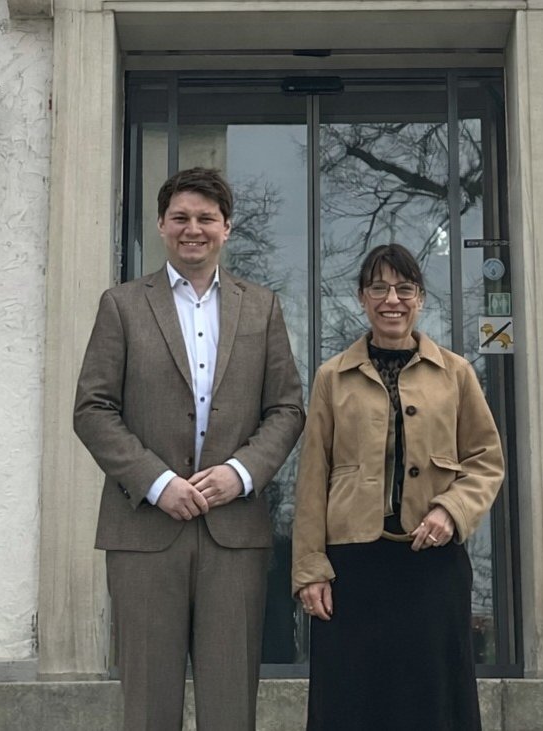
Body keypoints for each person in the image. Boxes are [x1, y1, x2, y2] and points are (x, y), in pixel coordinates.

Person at [73, 167, 305, 731]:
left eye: (206, 218)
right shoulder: (122, 306)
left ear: (227, 228)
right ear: (161, 225)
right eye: (180, 217)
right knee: (149, 707)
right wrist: (157, 483)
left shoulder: (263, 307)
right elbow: (92, 409)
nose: (192, 229)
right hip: (145, 533)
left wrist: (241, 473)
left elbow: (287, 408)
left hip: (235, 533)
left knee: (231, 708)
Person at [292, 243, 505, 730]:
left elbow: (486, 459)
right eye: (379, 289)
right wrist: (309, 570)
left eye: (404, 288)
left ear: (420, 298)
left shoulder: (456, 373)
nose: (393, 299)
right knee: (351, 702)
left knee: (431, 701)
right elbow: (311, 478)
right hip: (352, 569)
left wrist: (451, 510)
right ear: (362, 299)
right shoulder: (332, 377)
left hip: (430, 565)